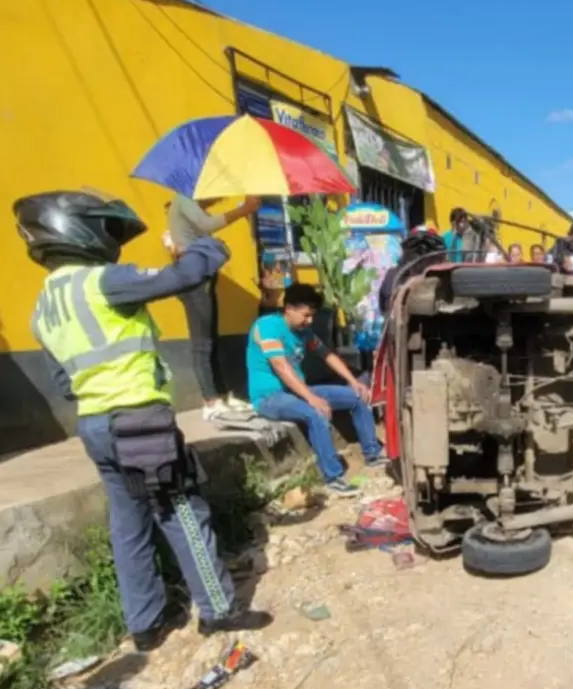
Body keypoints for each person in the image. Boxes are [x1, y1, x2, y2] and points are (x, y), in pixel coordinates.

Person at [15, 191, 272, 651]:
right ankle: (219, 610)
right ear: (78, 231)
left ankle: (146, 624)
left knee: (128, 521)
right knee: (181, 510)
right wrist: (208, 246)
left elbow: (63, 382)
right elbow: (185, 275)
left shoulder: (43, 307)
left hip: (95, 424)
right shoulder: (102, 281)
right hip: (138, 418)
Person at [248, 283, 386, 496]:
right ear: (289, 309)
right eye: (306, 315)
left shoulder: (305, 332)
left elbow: (327, 354)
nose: (310, 321)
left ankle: (372, 454)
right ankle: (333, 477)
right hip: (270, 397)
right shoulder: (267, 326)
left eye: (312, 315)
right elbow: (280, 366)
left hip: (297, 391)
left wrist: (353, 380)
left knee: (358, 396)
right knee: (316, 413)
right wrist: (311, 398)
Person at [165, 194, 261, 421]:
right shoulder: (183, 200)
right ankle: (210, 401)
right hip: (193, 278)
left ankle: (223, 396)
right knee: (202, 343)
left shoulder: (192, 207)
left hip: (204, 275)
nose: (216, 198)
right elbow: (207, 225)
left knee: (212, 339)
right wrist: (243, 210)